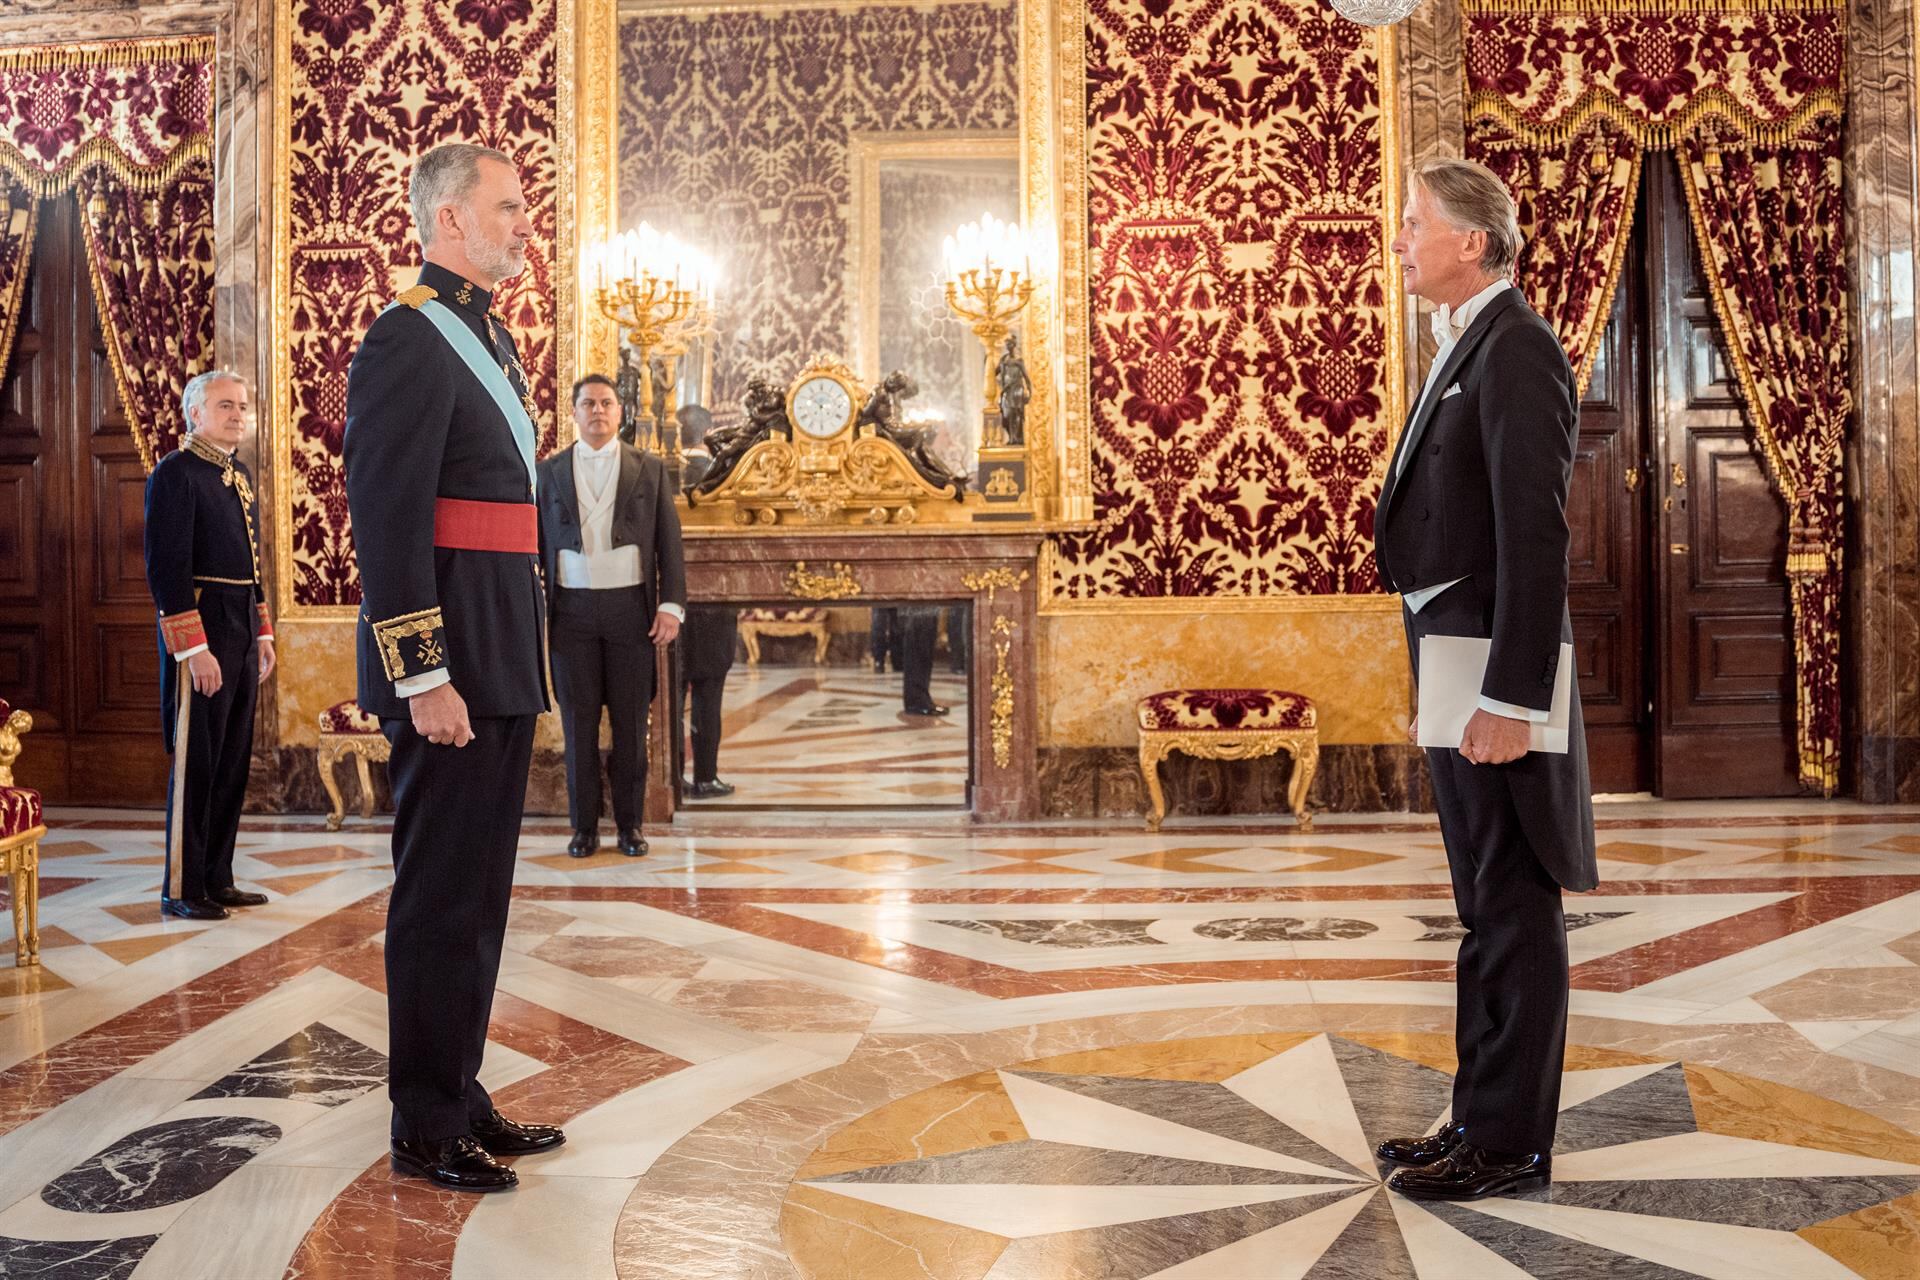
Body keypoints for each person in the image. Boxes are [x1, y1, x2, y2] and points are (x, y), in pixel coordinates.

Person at [1372, 156, 1598, 1201]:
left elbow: (1536, 536)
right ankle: (1475, 1118)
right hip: (1455, 651)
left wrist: (1512, 700)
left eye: (1414, 222)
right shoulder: (1467, 340)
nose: (1400, 240)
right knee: (1482, 898)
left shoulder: (1517, 346)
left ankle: (1507, 1145)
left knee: (1511, 897)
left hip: (1490, 667)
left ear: (1472, 240)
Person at [343, 141, 565, 1193]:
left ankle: (460, 1091)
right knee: (438, 897)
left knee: (481, 894)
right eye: (508, 207)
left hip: (499, 645)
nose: (525, 223)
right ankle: (424, 1121)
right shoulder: (408, 337)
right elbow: (388, 522)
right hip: (450, 664)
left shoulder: (490, 335)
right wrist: (423, 674)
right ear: (449, 221)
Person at [143, 371, 276, 922]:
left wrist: (263, 631)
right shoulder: (175, 473)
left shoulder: (236, 473)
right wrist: (192, 648)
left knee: (231, 760)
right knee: (197, 760)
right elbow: (166, 568)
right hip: (203, 625)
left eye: (242, 405)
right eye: (225, 405)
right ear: (195, 413)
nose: (238, 414)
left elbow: (252, 561)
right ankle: (183, 886)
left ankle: (218, 877)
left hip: (241, 623)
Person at [537, 374, 686, 857]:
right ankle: (583, 828)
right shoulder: (549, 472)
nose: (597, 411)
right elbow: (534, 547)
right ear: (574, 413)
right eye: (588, 403)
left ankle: (630, 826)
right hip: (571, 613)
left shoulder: (650, 469)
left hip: (631, 613)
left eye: (606, 403)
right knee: (578, 728)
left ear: (620, 412)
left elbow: (669, 543)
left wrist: (671, 605)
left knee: (630, 727)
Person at [679, 605, 738, 798]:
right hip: (711, 619)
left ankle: (675, 778)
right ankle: (705, 778)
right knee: (707, 704)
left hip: (680, 617)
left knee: (674, 705)